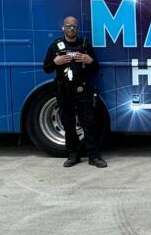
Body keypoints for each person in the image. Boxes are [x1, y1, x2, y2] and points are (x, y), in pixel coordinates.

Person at [42, 16, 108, 168]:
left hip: (82, 90)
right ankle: (73, 155)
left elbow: (96, 68)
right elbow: (46, 68)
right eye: (68, 26)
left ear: (77, 29)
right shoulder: (55, 46)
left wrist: (89, 60)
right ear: (63, 28)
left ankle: (94, 157)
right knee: (68, 124)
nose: (71, 29)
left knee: (89, 124)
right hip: (63, 91)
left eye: (74, 26)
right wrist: (55, 62)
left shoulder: (84, 46)